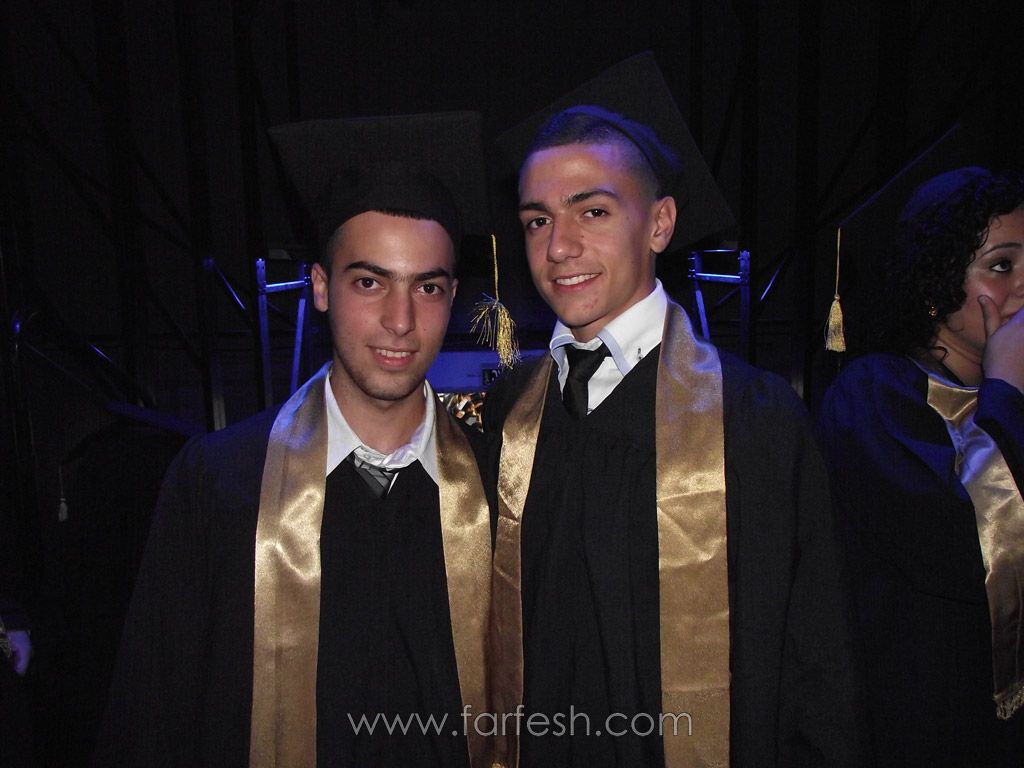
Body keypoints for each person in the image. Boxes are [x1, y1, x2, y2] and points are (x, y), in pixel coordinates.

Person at [484, 73, 861, 768]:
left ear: (660, 223)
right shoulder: (511, 414)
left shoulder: (752, 418)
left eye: (593, 211)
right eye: (538, 220)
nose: (558, 246)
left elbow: (817, 657)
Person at [95, 113, 494, 768]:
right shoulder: (222, 484)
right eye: (369, 282)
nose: (400, 320)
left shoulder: (499, 489)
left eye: (427, 287)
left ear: (452, 298)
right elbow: (154, 713)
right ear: (321, 287)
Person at [818, 167, 1024, 766]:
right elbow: (962, 547)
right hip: (927, 716)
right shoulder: (877, 394)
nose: (1022, 285)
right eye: (1001, 266)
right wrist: (1007, 391)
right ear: (937, 283)